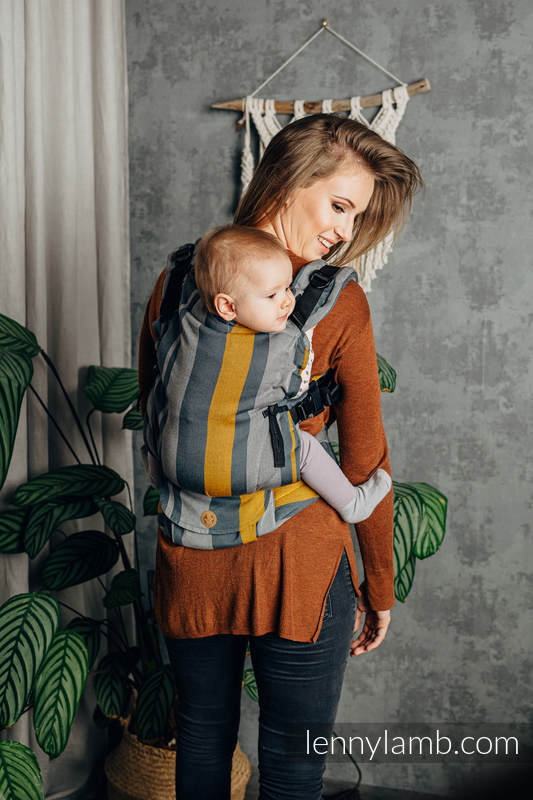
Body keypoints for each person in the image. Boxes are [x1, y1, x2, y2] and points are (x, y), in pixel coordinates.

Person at [138, 113, 423, 800]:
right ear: (289, 180)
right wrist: (378, 585)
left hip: (193, 549)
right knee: (294, 765)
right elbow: (364, 459)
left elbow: (155, 415)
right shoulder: (338, 302)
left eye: (356, 217)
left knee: (201, 737)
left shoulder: (179, 278)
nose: (344, 232)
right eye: (339, 205)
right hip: (300, 559)